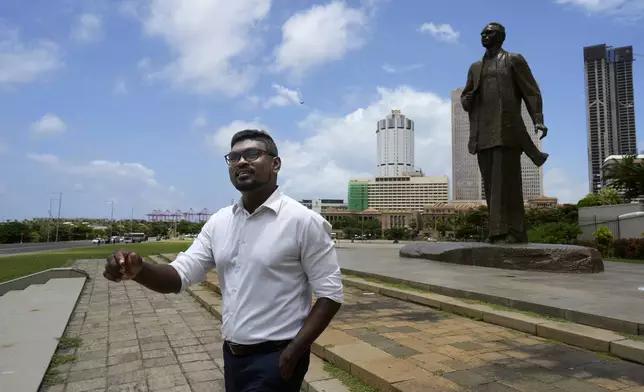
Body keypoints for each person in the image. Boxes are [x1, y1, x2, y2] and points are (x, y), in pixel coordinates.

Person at [103, 129, 344, 392]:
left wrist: (294, 352)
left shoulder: (303, 222)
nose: (241, 162)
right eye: (233, 157)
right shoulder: (220, 222)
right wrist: (139, 270)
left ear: (275, 164)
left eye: (252, 154)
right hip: (233, 355)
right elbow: (179, 275)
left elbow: (330, 295)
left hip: (277, 356)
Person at [461, 22, 549, 243]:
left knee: (507, 183)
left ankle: (514, 231)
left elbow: (531, 91)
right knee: (491, 185)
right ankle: (497, 232)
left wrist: (538, 120)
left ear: (500, 37)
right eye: (482, 33)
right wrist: (467, 100)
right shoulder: (475, 67)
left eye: (488, 32)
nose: (483, 35)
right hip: (483, 134)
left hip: (506, 130)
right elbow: (466, 98)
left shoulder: (513, 60)